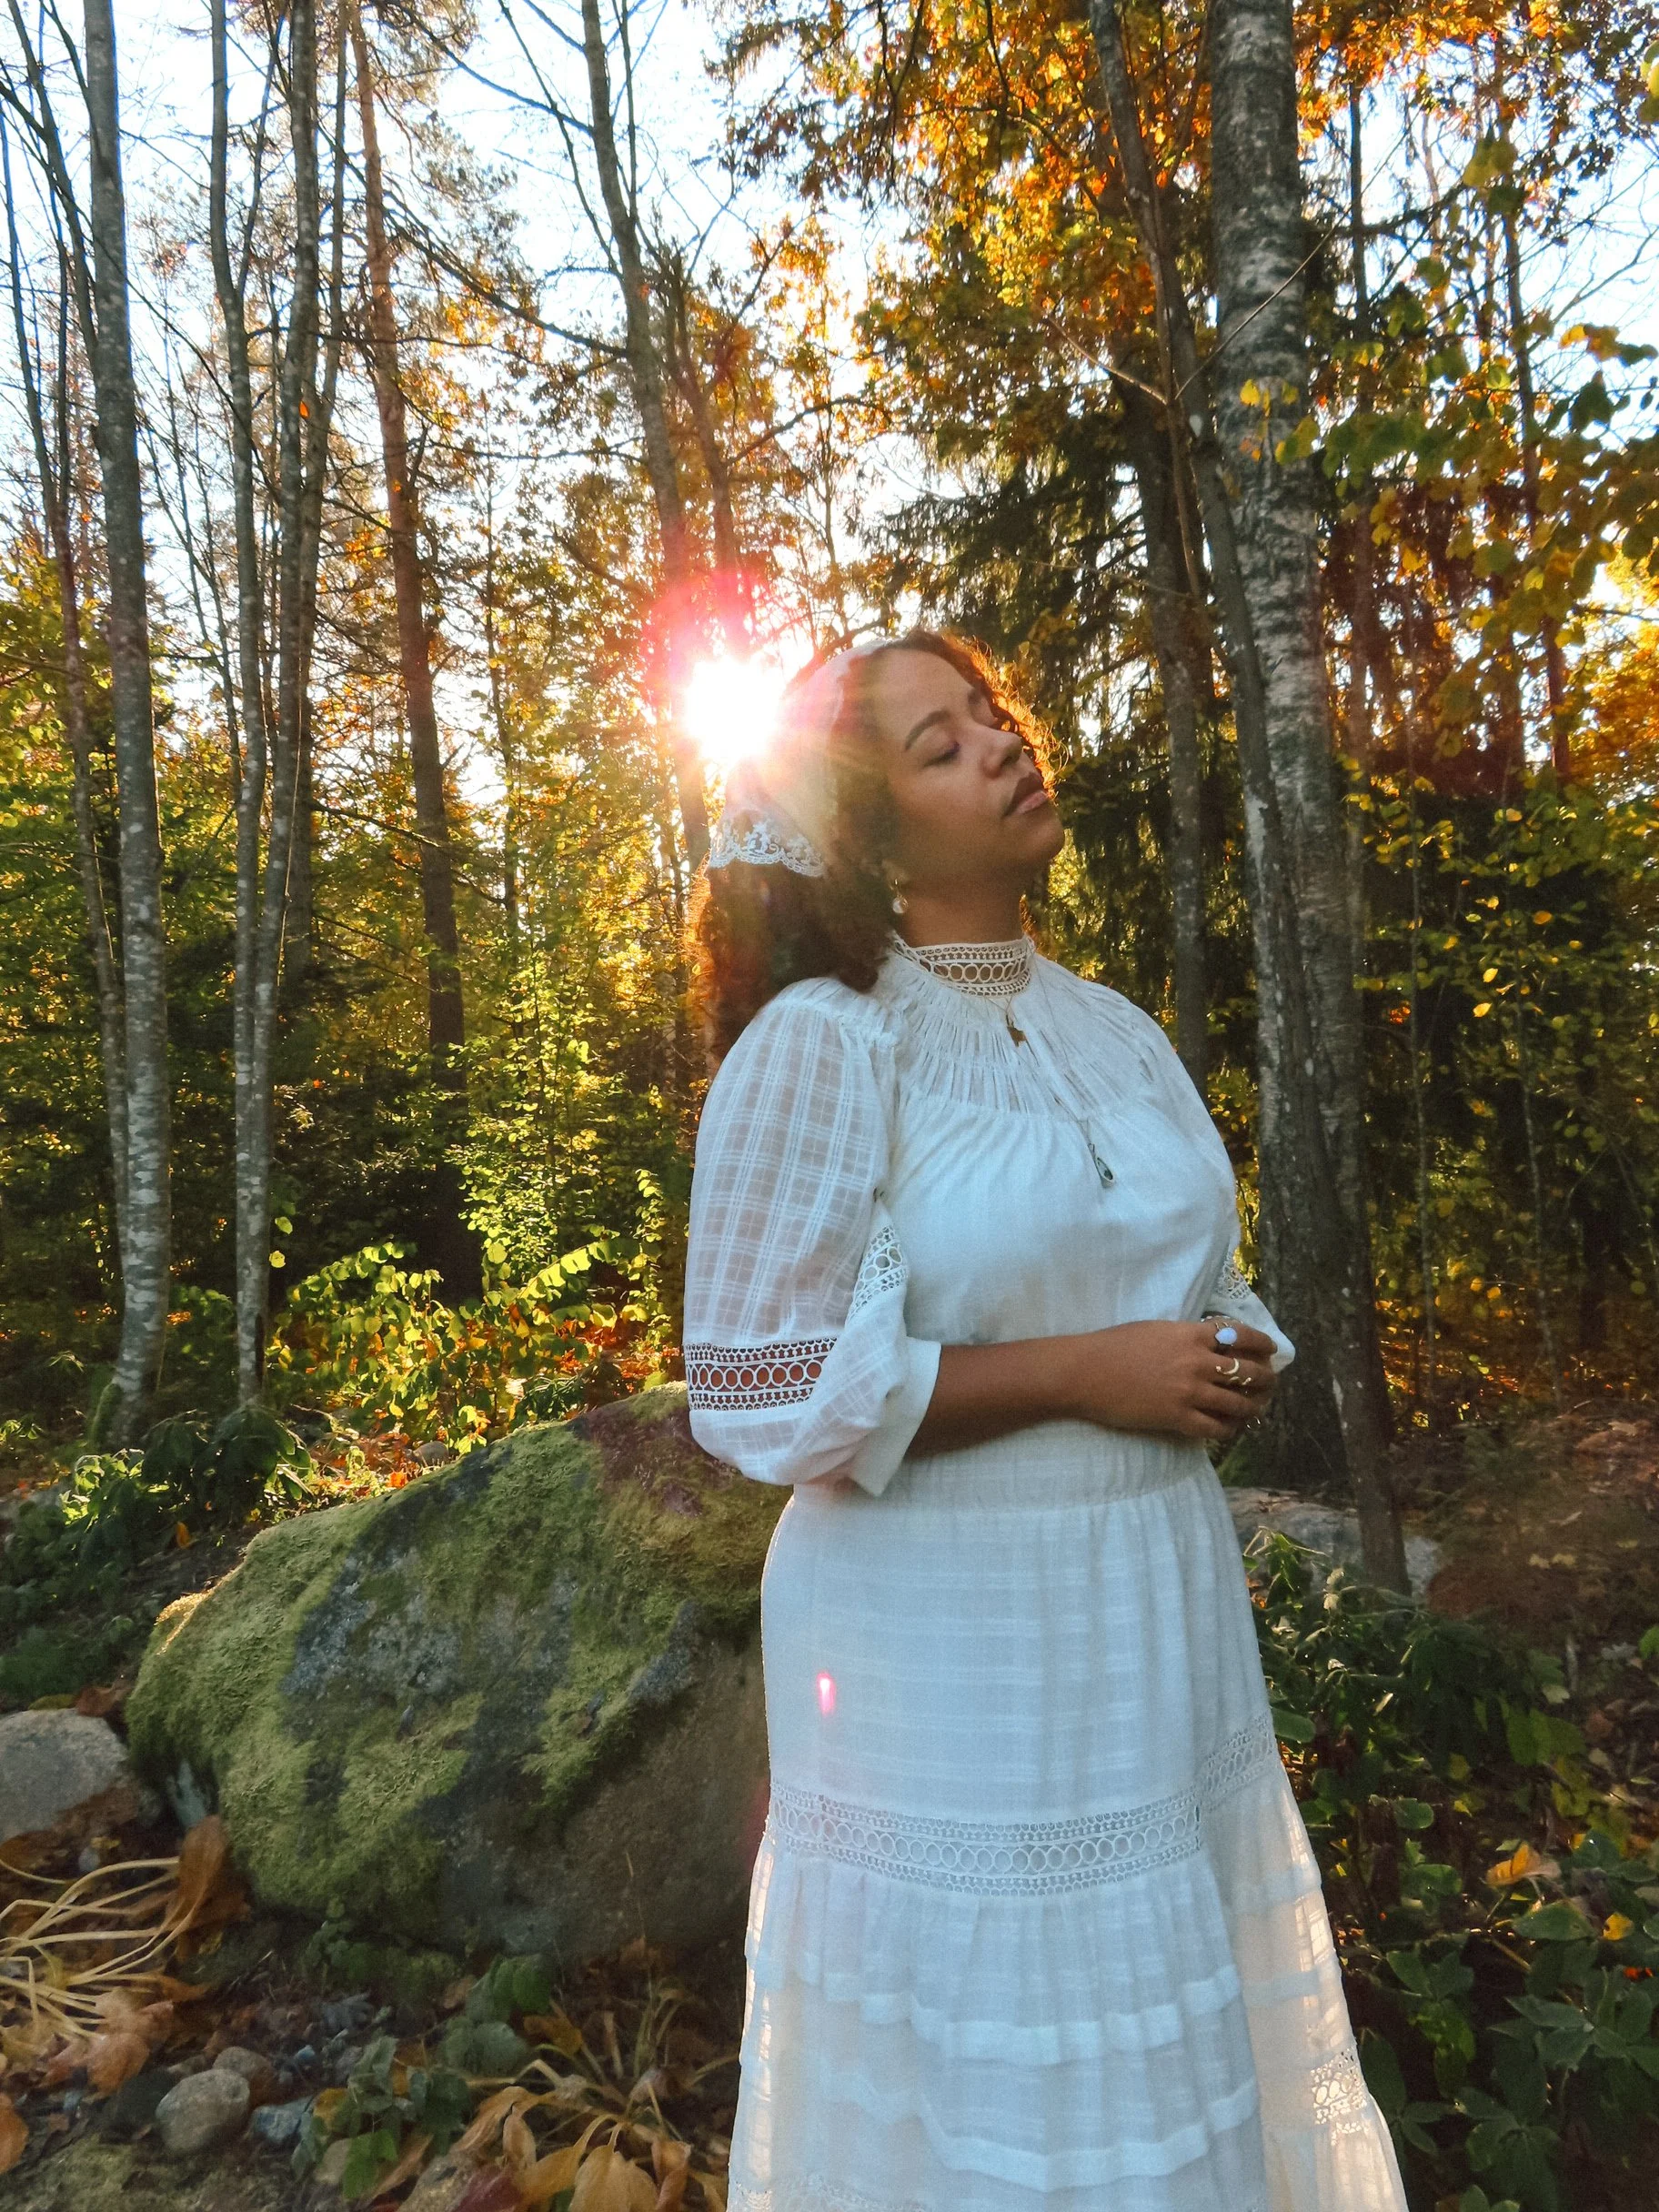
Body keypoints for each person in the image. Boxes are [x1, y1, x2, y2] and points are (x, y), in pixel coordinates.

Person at [682, 630, 1407, 2212]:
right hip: (945, 1660)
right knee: (992, 2078)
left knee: (1162, 2056)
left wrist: (1226, 1353)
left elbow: (1191, 1268)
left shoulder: (1107, 1027)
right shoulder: (827, 1037)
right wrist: (1091, 1374)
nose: (1003, 746)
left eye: (990, 714)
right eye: (940, 746)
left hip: (1150, 1610)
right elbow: (753, 1385)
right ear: (867, 836)